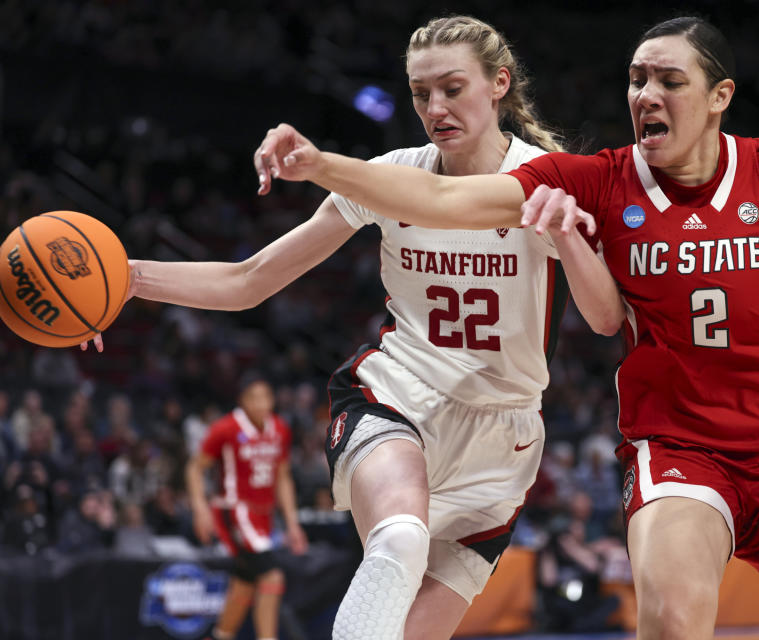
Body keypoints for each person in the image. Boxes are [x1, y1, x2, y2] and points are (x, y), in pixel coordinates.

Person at [252, 16, 759, 639]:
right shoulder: (597, 179)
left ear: (720, 97)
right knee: (675, 622)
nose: (646, 93)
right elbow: (439, 194)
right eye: (637, 78)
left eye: (669, 80)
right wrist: (321, 166)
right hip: (680, 452)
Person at [90, 16, 620, 639]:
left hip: (503, 440)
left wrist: (566, 236)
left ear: (499, 83)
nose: (435, 107)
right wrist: (129, 278)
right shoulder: (391, 172)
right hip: (400, 400)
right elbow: (249, 280)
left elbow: (606, 317)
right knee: (398, 542)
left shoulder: (549, 179)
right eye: (421, 93)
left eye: (452, 88)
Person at [186, 374, 307, 640]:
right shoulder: (225, 428)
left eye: (266, 396)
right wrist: (200, 509)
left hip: (264, 516)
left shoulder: (280, 429)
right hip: (234, 511)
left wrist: (292, 523)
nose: (261, 403)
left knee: (244, 584)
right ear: (242, 400)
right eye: (254, 397)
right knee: (272, 576)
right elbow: (195, 467)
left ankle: (220, 636)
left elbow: (283, 477)